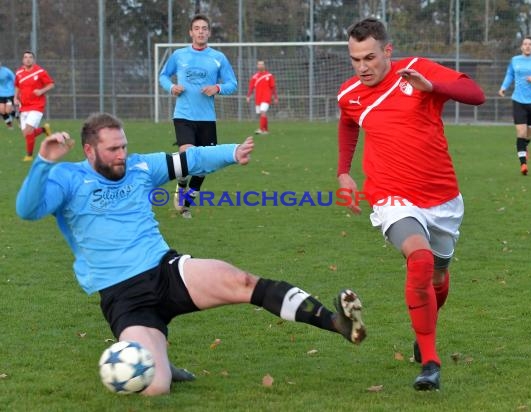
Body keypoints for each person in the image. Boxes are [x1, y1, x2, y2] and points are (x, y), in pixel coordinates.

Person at [16, 112, 367, 396]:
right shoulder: (68, 178)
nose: (121, 155)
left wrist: (231, 153)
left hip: (165, 270)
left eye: (123, 146)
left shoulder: (138, 168)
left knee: (242, 281)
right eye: (112, 150)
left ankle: (336, 322)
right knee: (155, 389)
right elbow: (27, 210)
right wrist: (44, 162)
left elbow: (188, 159)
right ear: (90, 151)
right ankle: (163, 366)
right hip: (124, 296)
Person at [335, 18, 485, 391]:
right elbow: (348, 122)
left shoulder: (416, 70)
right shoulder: (350, 93)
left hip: (443, 199)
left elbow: (475, 93)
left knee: (437, 277)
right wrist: (343, 171)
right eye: (355, 59)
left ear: (387, 51)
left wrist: (432, 86)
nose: (363, 66)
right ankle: (430, 362)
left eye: (369, 57)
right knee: (418, 260)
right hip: (391, 196)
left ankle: (425, 333)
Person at [159, 14, 237, 219]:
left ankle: (187, 203)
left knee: (203, 166)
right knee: (187, 157)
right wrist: (172, 87)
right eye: (197, 28)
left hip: (207, 119)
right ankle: (181, 184)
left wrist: (217, 87)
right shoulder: (179, 55)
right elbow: (163, 76)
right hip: (183, 116)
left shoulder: (218, 58)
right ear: (191, 32)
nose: (201, 31)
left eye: (204, 28)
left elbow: (232, 84)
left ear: (209, 32)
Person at [498, 36, 531, 175]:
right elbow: (509, 74)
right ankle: (523, 164)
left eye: (530, 44)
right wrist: (503, 87)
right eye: (525, 44)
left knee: (528, 134)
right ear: (521, 47)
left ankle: (524, 147)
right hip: (518, 101)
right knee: (521, 133)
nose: (527, 46)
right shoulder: (515, 60)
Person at [14, 50, 54, 162]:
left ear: (33, 59)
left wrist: (41, 91)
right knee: (26, 133)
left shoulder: (40, 71)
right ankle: (44, 129)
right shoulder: (18, 73)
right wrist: (15, 97)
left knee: (28, 131)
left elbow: (51, 84)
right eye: (25, 57)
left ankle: (29, 156)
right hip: (24, 106)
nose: (28, 59)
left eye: (30, 57)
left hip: (37, 105)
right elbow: (17, 86)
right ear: (23, 60)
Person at [246, 60, 278, 135]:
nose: (260, 66)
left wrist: (275, 97)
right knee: (262, 113)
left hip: (266, 97)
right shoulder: (255, 77)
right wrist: (248, 96)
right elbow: (251, 87)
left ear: (264, 66)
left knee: (263, 111)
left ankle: (261, 129)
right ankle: (266, 130)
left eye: (262, 64)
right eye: (259, 64)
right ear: (257, 66)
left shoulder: (269, 75)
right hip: (258, 98)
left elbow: (273, 87)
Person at [0, 61, 16, 130]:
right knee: (2, 111)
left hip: (10, 93)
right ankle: (10, 126)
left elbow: (15, 80)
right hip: (1, 94)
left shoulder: (7, 71)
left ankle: (15, 113)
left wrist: (17, 92)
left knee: (8, 111)